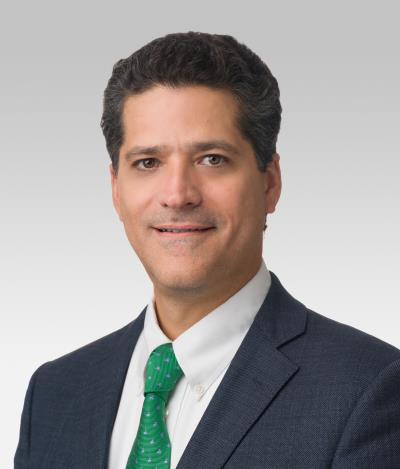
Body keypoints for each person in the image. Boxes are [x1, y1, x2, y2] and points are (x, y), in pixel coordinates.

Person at [15, 31, 400, 469]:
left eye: (212, 159)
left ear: (270, 183)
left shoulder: (368, 391)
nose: (177, 195)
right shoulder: (54, 394)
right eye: (148, 163)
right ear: (116, 191)